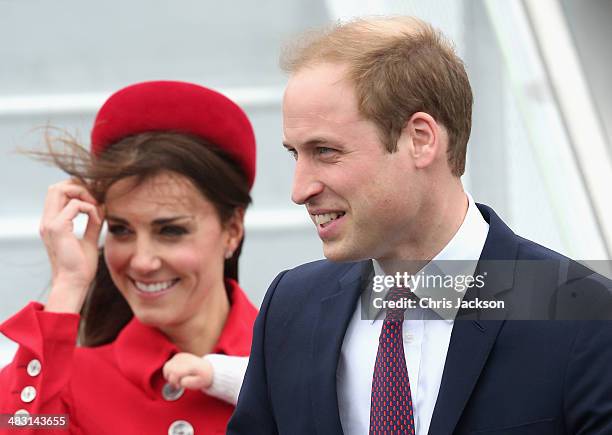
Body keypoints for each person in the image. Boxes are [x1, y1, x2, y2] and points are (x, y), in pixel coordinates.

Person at [228, 16, 612, 435]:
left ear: (421, 139)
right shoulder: (290, 308)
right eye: (294, 154)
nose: (299, 189)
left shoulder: (584, 316)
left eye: (325, 151)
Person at [0, 80, 257, 434]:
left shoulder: (299, 362)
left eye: (170, 231)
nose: (142, 261)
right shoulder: (66, 384)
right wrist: (68, 286)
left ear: (233, 229)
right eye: (121, 230)